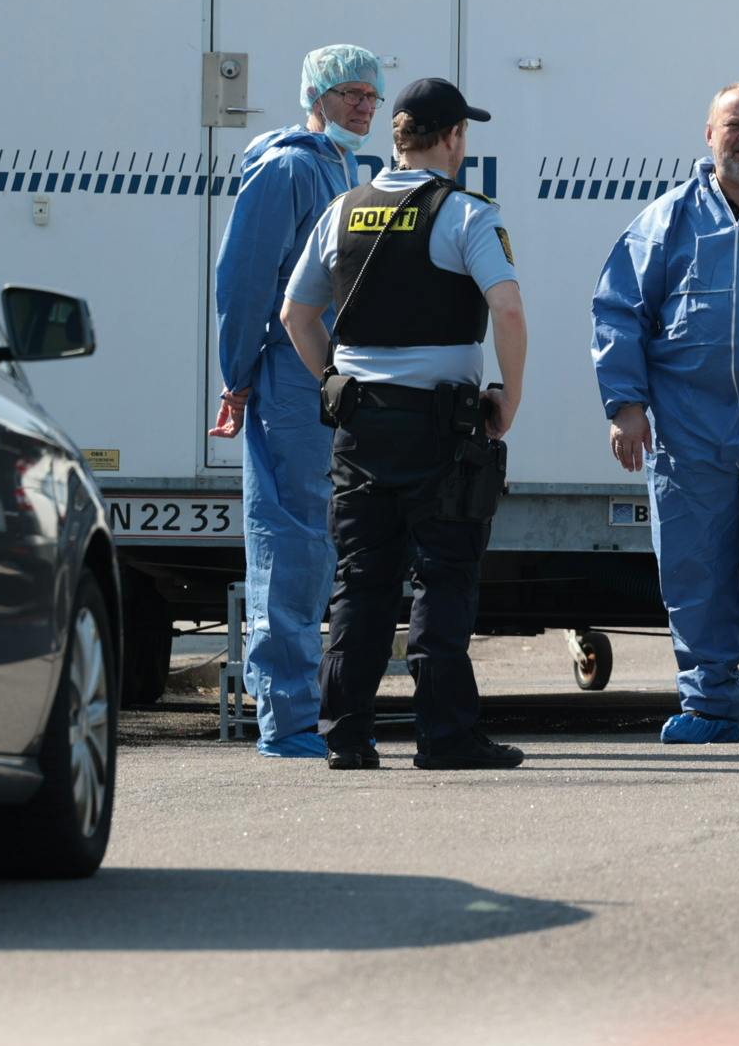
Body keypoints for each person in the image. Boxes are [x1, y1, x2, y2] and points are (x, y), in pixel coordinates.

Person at [280, 78, 529, 772]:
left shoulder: (342, 211)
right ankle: (445, 736)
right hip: (440, 430)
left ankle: (345, 734)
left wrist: (333, 381)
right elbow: (507, 309)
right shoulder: (466, 214)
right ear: (452, 137)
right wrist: (508, 397)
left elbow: (296, 315)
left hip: (361, 429)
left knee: (362, 581)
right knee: (443, 577)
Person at [592, 84, 739, 747]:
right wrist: (626, 406)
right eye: (734, 125)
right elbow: (618, 312)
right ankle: (708, 705)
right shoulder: (666, 219)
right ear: (709, 135)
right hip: (688, 429)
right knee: (695, 571)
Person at [206, 44, 382, 757]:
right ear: (316, 96)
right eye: (350, 94)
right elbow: (245, 280)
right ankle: (286, 718)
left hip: (328, 373)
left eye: (372, 95)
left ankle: (302, 708)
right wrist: (237, 375)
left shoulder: (342, 168)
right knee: (291, 538)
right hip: (288, 374)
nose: (364, 106)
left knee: (317, 539)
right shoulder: (287, 169)